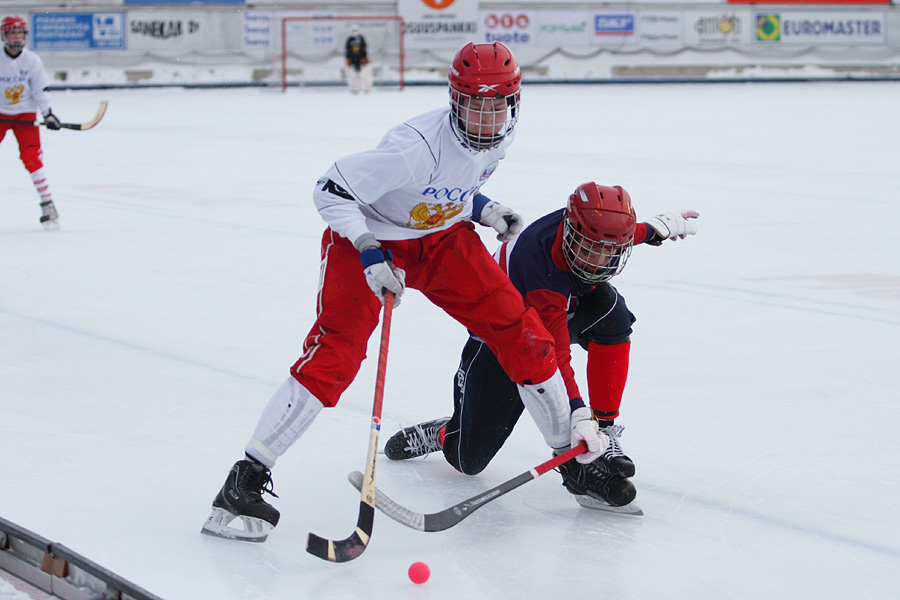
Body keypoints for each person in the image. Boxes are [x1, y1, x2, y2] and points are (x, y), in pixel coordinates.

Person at [202, 41, 608, 543]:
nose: (486, 118)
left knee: (519, 330)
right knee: (337, 354)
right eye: (474, 105)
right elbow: (330, 189)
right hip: (366, 238)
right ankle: (243, 482)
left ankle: (568, 460)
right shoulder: (412, 146)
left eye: (496, 105)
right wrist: (371, 251)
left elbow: (448, 186)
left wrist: (481, 209)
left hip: (440, 240)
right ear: (455, 101)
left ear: (513, 103)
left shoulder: (501, 137)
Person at [383, 183, 699, 511]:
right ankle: (446, 431)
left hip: (558, 313)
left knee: (611, 313)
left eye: (609, 252)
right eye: (590, 250)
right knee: (469, 460)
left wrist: (655, 230)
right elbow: (554, 356)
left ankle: (605, 433)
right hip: (504, 336)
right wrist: (576, 409)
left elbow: (614, 237)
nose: (599, 262)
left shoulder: (591, 235)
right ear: (570, 234)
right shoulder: (537, 265)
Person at [1, 15, 62, 230]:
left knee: (31, 157)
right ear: (4, 35)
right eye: (12, 32)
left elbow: (40, 91)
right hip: (0, 114)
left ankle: (48, 204)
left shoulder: (32, 61)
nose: (16, 37)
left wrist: (48, 114)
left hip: (25, 114)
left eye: (20, 32)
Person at [344, 24, 372, 94]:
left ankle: (366, 87)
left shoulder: (361, 38)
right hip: (352, 60)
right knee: (352, 74)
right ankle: (354, 88)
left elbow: (364, 48)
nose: (355, 32)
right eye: (353, 30)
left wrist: (364, 58)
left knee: (364, 74)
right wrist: (348, 58)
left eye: (356, 30)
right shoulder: (349, 39)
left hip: (361, 59)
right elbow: (347, 50)